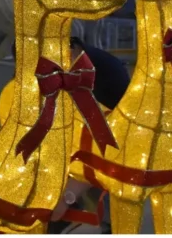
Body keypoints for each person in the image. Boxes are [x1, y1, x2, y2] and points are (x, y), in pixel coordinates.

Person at [47, 38, 131, 233]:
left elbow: (107, 150)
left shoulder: (106, 77)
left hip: (116, 149)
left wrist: (67, 196)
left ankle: (108, 224)